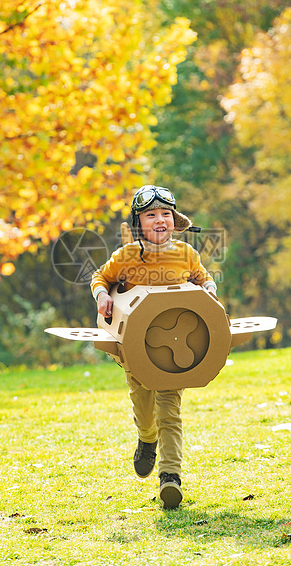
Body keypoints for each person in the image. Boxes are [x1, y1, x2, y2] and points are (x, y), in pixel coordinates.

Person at [90, 185, 217, 509]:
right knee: (145, 413)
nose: (160, 220)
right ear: (138, 222)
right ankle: (146, 439)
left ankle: (170, 479)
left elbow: (203, 279)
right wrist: (102, 295)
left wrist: (210, 290)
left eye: (165, 214)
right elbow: (100, 278)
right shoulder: (126, 256)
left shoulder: (186, 254)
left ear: (175, 220)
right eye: (151, 215)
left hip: (176, 356)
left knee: (169, 413)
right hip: (137, 352)